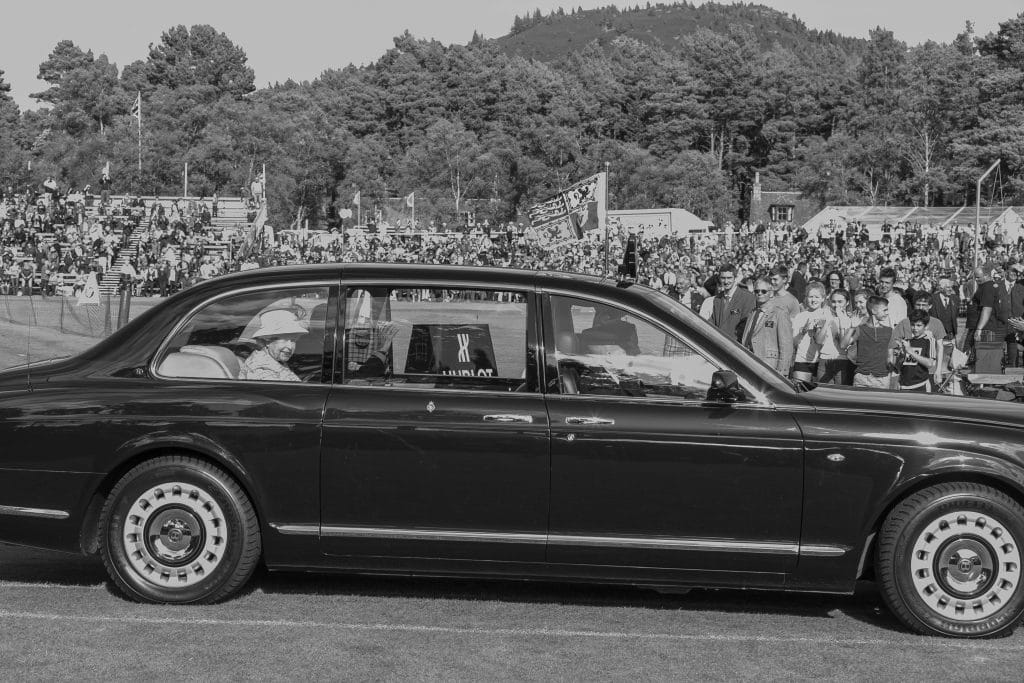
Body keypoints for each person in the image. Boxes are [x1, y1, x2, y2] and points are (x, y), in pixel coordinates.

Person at [842, 296, 896, 389]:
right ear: (874, 311)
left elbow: (890, 357)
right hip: (862, 378)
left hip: (882, 379)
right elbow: (843, 345)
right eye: (884, 310)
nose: (887, 313)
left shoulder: (889, 331)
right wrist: (852, 327)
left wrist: (891, 371)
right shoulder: (860, 329)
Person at [239, 309, 308, 382]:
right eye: (284, 340)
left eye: (293, 340)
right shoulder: (262, 370)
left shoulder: (275, 359)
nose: (290, 347)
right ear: (267, 341)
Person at [741, 278, 793, 376]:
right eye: (757, 291)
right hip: (748, 363)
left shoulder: (779, 313)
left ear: (771, 293)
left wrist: (782, 372)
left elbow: (786, 345)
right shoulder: (753, 312)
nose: (759, 293)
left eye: (763, 291)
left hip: (769, 367)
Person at [704, 263, 755, 342]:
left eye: (729, 278)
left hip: (736, 345)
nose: (726, 281)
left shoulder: (747, 297)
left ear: (735, 278)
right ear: (719, 278)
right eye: (723, 278)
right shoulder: (717, 299)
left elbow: (746, 326)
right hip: (717, 343)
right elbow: (713, 322)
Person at [790, 282, 828, 382]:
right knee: (800, 390)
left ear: (823, 298)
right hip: (802, 361)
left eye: (817, 297)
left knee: (817, 392)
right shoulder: (800, 316)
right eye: (811, 296)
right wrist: (802, 332)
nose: (813, 300)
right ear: (806, 298)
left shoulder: (827, 315)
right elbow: (794, 342)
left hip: (821, 362)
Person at [817, 288, 855, 385]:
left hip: (842, 360)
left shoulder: (851, 320)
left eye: (840, 302)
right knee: (823, 392)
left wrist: (841, 319)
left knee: (840, 392)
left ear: (847, 302)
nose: (836, 305)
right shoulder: (824, 316)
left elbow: (843, 345)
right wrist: (827, 322)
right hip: (824, 359)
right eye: (833, 302)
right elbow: (819, 341)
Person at [896, 310, 938, 392]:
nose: (915, 328)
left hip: (920, 385)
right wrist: (901, 355)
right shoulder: (907, 341)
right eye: (912, 325)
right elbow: (899, 366)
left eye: (919, 325)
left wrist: (911, 351)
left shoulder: (929, 341)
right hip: (903, 386)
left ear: (926, 326)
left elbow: (930, 364)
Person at [929, 278, 959, 343]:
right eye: (948, 287)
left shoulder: (955, 298)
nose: (950, 289)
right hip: (936, 334)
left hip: (951, 334)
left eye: (951, 287)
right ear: (941, 288)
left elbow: (956, 314)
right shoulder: (932, 299)